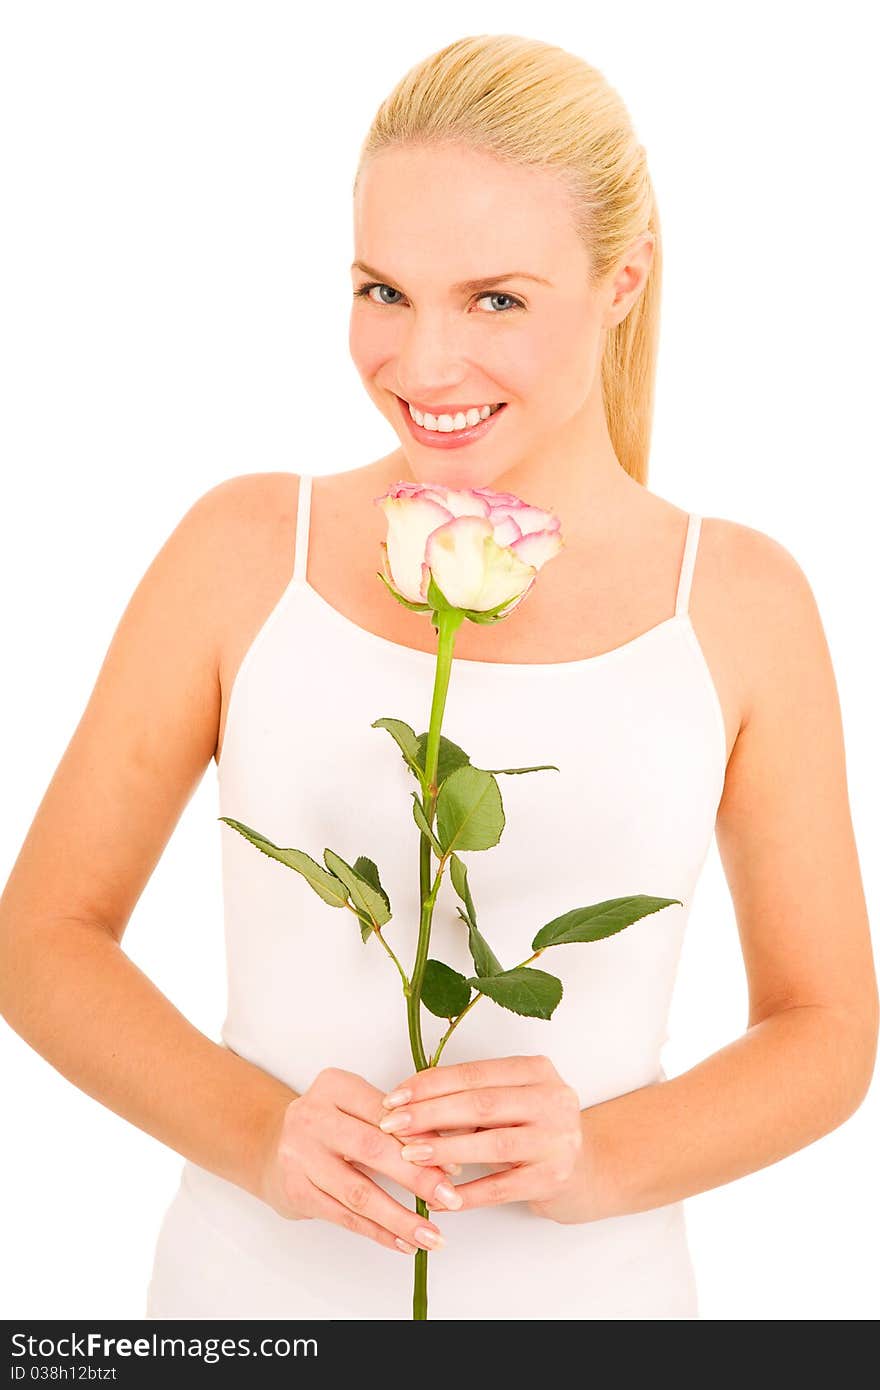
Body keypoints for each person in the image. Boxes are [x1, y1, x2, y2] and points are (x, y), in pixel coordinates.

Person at [0, 33, 875, 1322]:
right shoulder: (246, 551)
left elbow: (825, 1028)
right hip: (245, 1317)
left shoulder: (739, 603)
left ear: (622, 282)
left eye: (498, 299)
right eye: (384, 291)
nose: (421, 367)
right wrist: (259, 1134)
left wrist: (603, 1154)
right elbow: (40, 939)